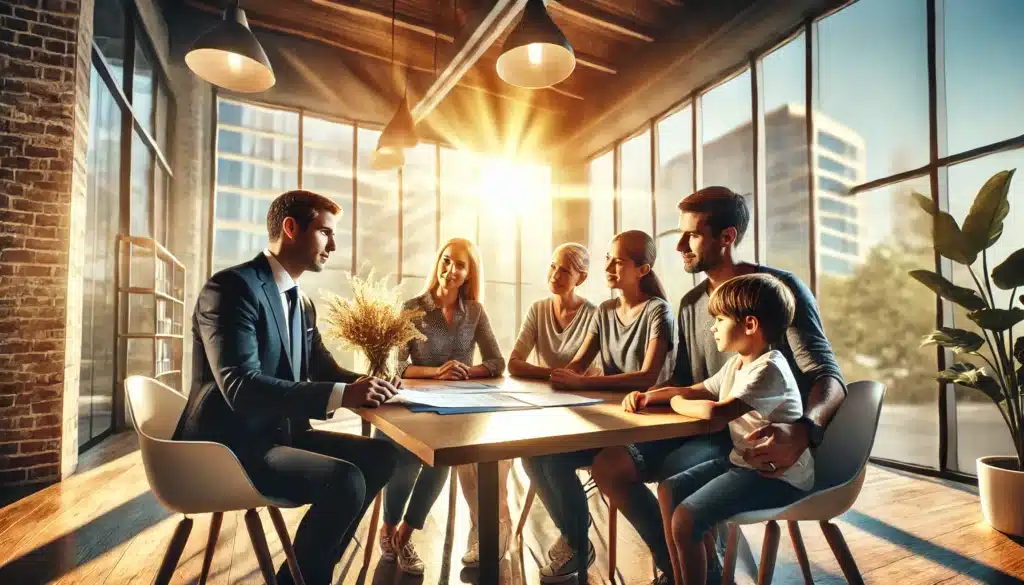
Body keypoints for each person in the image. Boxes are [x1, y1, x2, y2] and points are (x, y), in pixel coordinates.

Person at [591, 186, 846, 585]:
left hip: (752, 435)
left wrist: (805, 429)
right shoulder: (693, 303)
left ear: (726, 237)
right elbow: (689, 381)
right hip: (705, 423)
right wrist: (650, 396)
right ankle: (683, 567)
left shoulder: (778, 291)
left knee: (678, 474)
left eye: (691, 234)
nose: (678, 246)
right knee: (608, 464)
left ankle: (697, 565)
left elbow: (827, 376)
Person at [173, 190, 401, 585]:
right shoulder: (230, 289)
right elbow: (240, 387)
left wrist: (370, 383)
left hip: (279, 436)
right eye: (326, 233)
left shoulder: (302, 303)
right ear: (291, 228)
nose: (334, 245)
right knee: (345, 481)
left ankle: (301, 578)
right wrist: (345, 396)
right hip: (226, 447)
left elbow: (322, 367)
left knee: (381, 456)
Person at [624, 273, 813, 585]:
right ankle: (689, 577)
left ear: (750, 325)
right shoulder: (738, 364)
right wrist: (648, 396)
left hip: (779, 475)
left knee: (686, 520)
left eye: (720, 319)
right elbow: (695, 390)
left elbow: (714, 415)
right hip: (744, 462)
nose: (712, 327)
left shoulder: (769, 369)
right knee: (668, 490)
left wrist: (675, 404)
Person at [522, 230, 676, 583]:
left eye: (617, 261)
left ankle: (673, 566)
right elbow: (577, 366)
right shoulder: (605, 311)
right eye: (607, 258)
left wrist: (581, 382)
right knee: (534, 453)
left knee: (592, 463)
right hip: (610, 421)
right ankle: (577, 541)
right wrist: (553, 381)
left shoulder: (658, 312)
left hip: (649, 426)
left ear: (642, 269)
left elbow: (645, 377)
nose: (607, 266)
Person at [375, 237, 506, 575]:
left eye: (460, 265)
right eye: (446, 261)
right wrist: (437, 371)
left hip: (454, 406)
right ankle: (388, 529)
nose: (451, 269)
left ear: (468, 273)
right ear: (439, 263)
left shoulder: (474, 312)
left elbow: (496, 362)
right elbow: (397, 367)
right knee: (404, 458)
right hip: (411, 402)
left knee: (446, 458)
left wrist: (466, 372)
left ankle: (405, 534)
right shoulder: (413, 308)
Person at [507, 242, 599, 380]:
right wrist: (554, 374)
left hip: (583, 395)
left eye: (565, 271)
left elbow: (581, 374)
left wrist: (545, 373)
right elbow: (514, 364)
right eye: (553, 266)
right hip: (543, 394)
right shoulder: (537, 309)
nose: (555, 276)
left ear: (581, 278)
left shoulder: (595, 315)